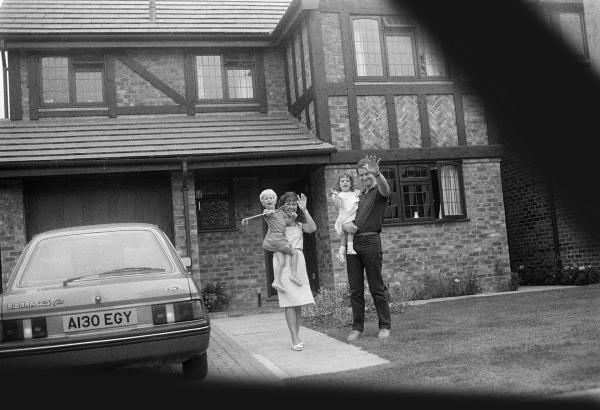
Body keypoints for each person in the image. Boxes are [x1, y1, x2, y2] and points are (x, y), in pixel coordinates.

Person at [345, 155, 392, 342]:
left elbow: (386, 189)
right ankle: (357, 328)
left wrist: (378, 174)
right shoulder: (358, 196)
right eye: (361, 175)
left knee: (376, 287)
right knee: (355, 289)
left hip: (371, 242)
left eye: (367, 174)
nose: (365, 177)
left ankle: (385, 326)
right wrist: (344, 226)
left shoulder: (378, 193)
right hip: (353, 243)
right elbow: (344, 216)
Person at [274, 191, 316, 351]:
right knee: (289, 301)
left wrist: (304, 210)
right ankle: (294, 339)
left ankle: (297, 336)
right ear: (282, 205)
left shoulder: (299, 223)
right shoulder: (276, 221)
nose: (291, 206)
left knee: (297, 301)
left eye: (294, 204)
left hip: (298, 260)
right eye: (288, 203)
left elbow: (312, 229)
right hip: (283, 260)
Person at [241, 189, 301, 294]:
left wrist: (292, 217)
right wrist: (269, 212)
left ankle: (276, 282)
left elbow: (286, 224)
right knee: (294, 253)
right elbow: (267, 214)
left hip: (276, 240)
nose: (268, 200)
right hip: (277, 239)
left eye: (270, 198)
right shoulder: (266, 212)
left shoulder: (281, 212)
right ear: (263, 203)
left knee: (281, 261)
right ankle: (294, 275)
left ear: (275, 200)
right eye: (265, 199)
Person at [331, 173, 361, 263]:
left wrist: (358, 193)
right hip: (344, 219)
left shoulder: (354, 194)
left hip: (351, 218)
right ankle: (350, 249)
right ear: (339, 184)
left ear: (351, 183)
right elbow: (337, 206)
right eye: (342, 181)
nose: (345, 183)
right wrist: (336, 196)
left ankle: (340, 253)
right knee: (352, 230)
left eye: (347, 181)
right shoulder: (339, 195)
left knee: (344, 237)